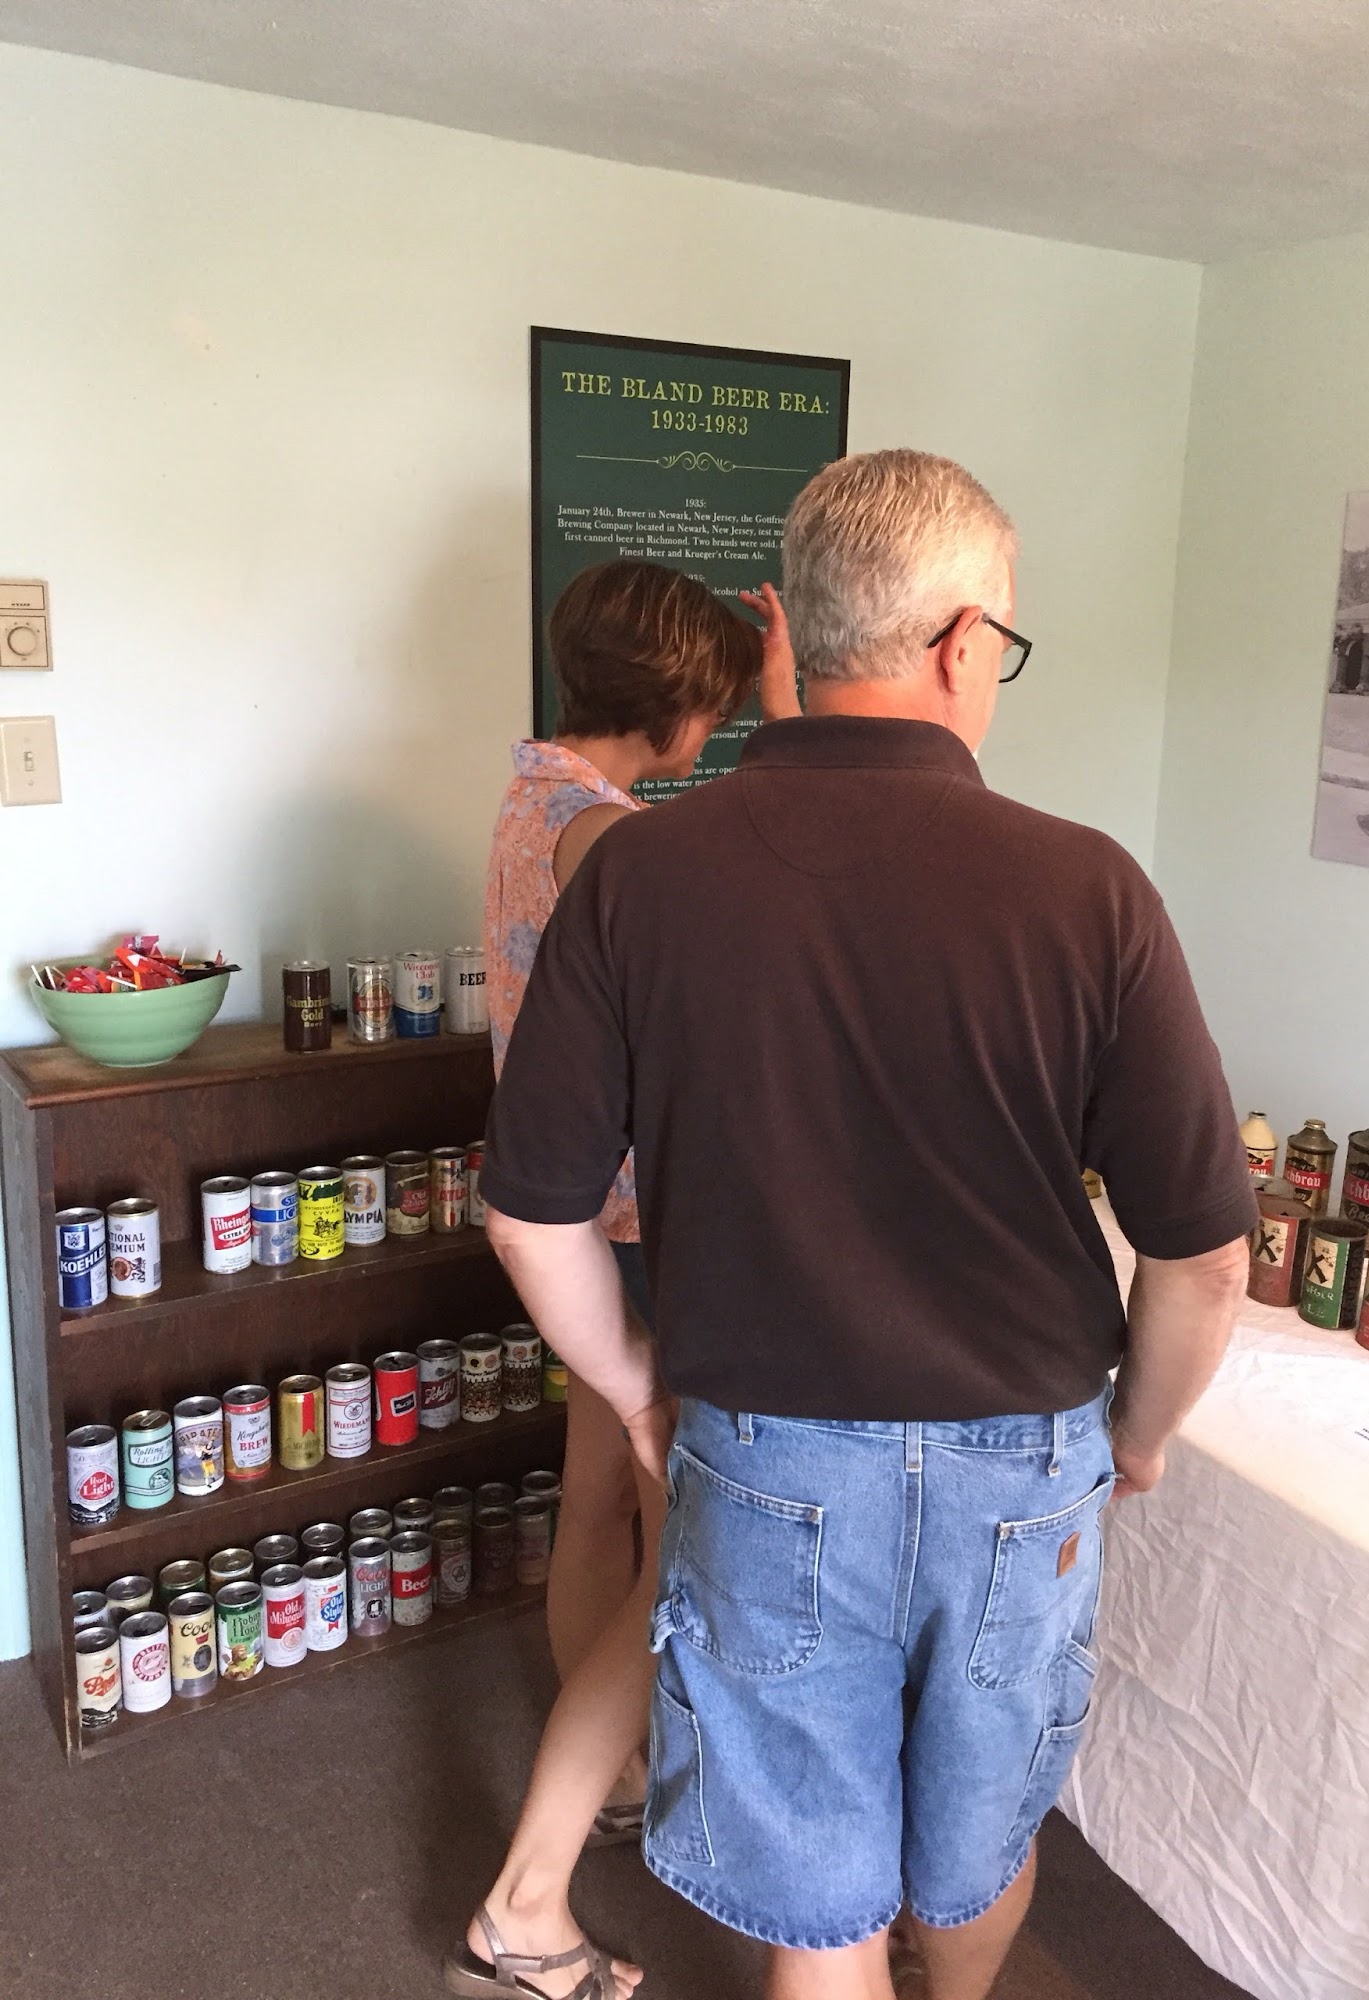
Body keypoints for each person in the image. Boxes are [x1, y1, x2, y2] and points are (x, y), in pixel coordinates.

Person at [479, 449, 1255, 2000]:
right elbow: (1206, 1255)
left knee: (815, 1889)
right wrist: (1146, 1434)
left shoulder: (643, 872)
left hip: (766, 1447)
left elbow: (530, 1216)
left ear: (803, 639)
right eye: (1007, 641)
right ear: (963, 644)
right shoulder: (1091, 888)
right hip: (1022, 1452)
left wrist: (635, 1390)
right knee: (972, 1843)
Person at [446, 558, 792, 1999]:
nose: (719, 724)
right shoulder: (616, 842)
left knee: (600, 1508)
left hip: (572, 1223)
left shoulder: (538, 799)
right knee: (688, 1571)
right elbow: (739, 953)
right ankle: (526, 1903)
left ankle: (626, 1778)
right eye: (715, 700)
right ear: (684, 700)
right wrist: (794, 724)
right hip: (641, 1231)